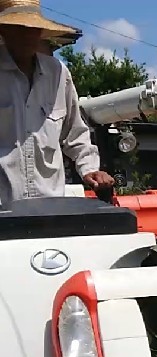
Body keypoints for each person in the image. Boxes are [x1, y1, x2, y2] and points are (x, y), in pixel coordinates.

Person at [0, 0, 114, 209]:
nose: (27, 35)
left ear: (40, 32)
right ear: (4, 31)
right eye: (18, 28)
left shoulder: (57, 73)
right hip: (4, 207)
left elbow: (75, 132)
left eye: (32, 29)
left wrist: (90, 169)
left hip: (49, 206)